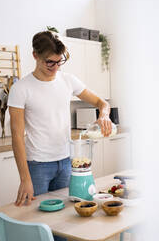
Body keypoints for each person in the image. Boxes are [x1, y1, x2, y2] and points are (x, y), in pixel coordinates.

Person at [8, 31, 112, 207]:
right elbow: (17, 136)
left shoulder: (68, 80)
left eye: (59, 61)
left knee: (66, 216)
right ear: (35, 55)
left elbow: (102, 103)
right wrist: (25, 179)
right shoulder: (21, 89)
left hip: (66, 162)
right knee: (36, 219)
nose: (55, 67)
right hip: (37, 165)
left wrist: (104, 116)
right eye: (50, 62)